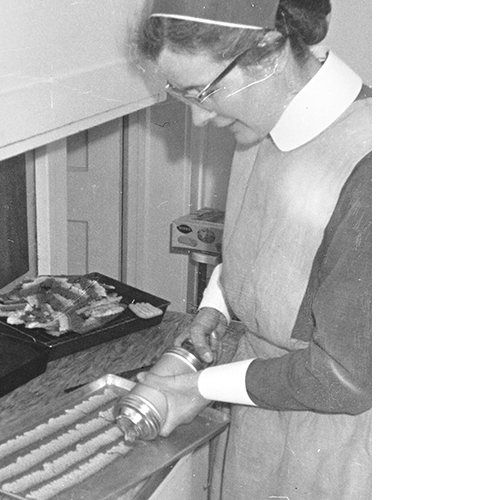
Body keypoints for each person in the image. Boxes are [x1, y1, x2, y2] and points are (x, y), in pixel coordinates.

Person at [132, 0, 372, 499]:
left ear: (268, 52)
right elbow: (265, 243)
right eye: (182, 94)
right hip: (263, 415)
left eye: (203, 92)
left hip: (336, 443)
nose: (199, 118)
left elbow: (345, 379)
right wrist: (212, 312)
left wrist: (198, 388)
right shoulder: (265, 122)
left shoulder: (373, 165)